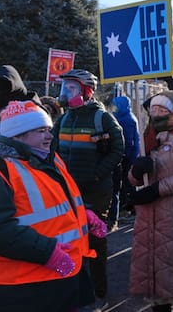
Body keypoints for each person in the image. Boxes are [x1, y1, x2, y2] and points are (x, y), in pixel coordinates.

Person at [0, 100, 106, 311]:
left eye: (49, 129)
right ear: (18, 135)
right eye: (41, 131)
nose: (49, 136)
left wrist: (82, 214)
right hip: (27, 287)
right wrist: (48, 253)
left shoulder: (50, 159)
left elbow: (54, 203)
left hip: (65, 274)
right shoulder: (4, 170)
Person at [51, 69, 124, 311]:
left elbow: (118, 149)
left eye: (71, 88)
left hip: (96, 192)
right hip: (69, 194)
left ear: (87, 91)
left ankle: (99, 294)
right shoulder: (63, 119)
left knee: (94, 242)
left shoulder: (102, 118)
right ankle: (78, 291)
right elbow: (52, 151)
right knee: (71, 242)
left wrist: (96, 173)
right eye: (65, 88)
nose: (65, 93)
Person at [128, 91, 173, 311]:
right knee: (156, 282)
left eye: (163, 110)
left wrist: (156, 190)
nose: (157, 113)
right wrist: (135, 172)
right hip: (149, 219)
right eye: (154, 110)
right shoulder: (147, 138)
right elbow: (134, 178)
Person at [109, 95, 141, 231]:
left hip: (127, 155)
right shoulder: (128, 116)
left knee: (125, 184)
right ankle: (129, 208)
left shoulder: (124, 119)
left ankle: (128, 209)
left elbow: (127, 141)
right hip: (129, 154)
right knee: (127, 183)